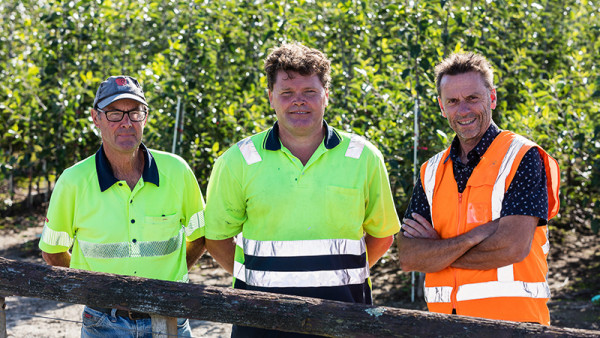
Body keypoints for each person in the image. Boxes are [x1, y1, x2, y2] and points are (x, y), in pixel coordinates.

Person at [204, 43, 400, 337]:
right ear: (271, 98)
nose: (299, 102)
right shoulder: (238, 160)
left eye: (309, 92)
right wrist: (263, 281)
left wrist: (339, 278)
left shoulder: (363, 157)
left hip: (344, 318)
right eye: (287, 93)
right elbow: (217, 239)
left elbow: (383, 234)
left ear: (326, 96)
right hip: (259, 320)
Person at [397, 52, 560, 325]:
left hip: (513, 326)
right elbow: (408, 256)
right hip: (443, 325)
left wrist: (437, 254)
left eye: (472, 98)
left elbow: (511, 247)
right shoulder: (431, 171)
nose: (463, 110)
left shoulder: (522, 156)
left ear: (492, 97)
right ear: (441, 106)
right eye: (453, 101)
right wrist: (477, 236)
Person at [39, 76, 206, 337]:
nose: (127, 122)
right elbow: (52, 252)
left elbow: (201, 235)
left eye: (135, 112)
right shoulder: (73, 182)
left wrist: (170, 283)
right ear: (96, 118)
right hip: (102, 323)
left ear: (146, 117)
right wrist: (94, 290)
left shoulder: (177, 172)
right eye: (115, 113)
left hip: (169, 316)